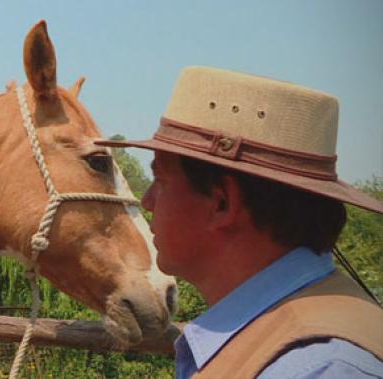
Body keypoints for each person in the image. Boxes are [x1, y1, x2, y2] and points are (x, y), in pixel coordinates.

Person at [95, 66, 383, 378]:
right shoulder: (308, 334)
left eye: (160, 181)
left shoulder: (319, 368)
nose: (147, 201)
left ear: (222, 204)